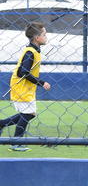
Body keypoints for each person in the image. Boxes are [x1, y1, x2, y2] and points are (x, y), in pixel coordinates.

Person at [0, 22, 51, 152]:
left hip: (25, 87)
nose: (46, 37)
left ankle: (2, 124)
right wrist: (42, 83)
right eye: (44, 34)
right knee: (28, 113)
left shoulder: (34, 51)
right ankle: (16, 142)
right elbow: (23, 72)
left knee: (30, 113)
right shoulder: (30, 52)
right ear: (36, 37)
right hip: (21, 87)